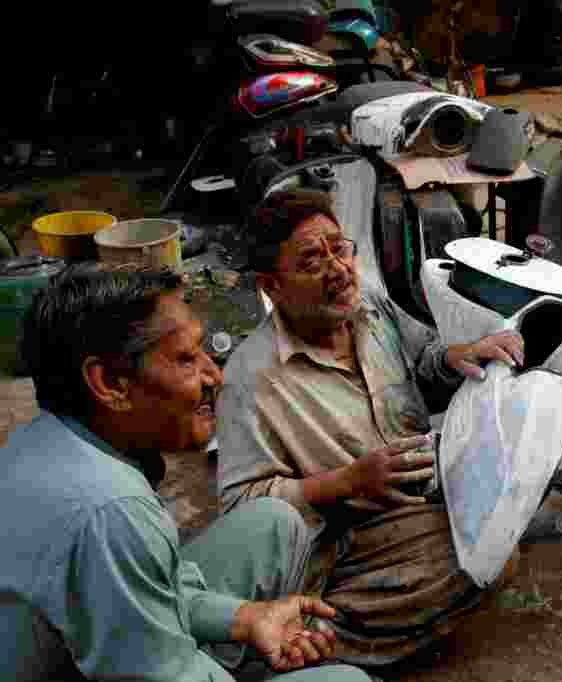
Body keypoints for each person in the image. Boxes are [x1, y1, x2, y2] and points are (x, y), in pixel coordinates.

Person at [0, 263, 372, 682]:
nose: (215, 374)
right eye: (186, 358)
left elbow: (155, 585)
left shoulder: (52, 441)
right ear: (108, 383)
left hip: (95, 644)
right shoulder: (111, 513)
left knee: (274, 522)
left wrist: (247, 618)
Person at [215, 189, 528, 666]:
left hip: (421, 496)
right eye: (312, 262)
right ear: (271, 287)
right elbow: (242, 511)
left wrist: (455, 356)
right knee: (489, 559)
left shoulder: (371, 309)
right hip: (341, 541)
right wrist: (346, 482)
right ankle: (304, 642)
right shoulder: (249, 381)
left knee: (507, 515)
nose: (338, 271)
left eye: (339, 248)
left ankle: (313, 638)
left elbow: (422, 360)